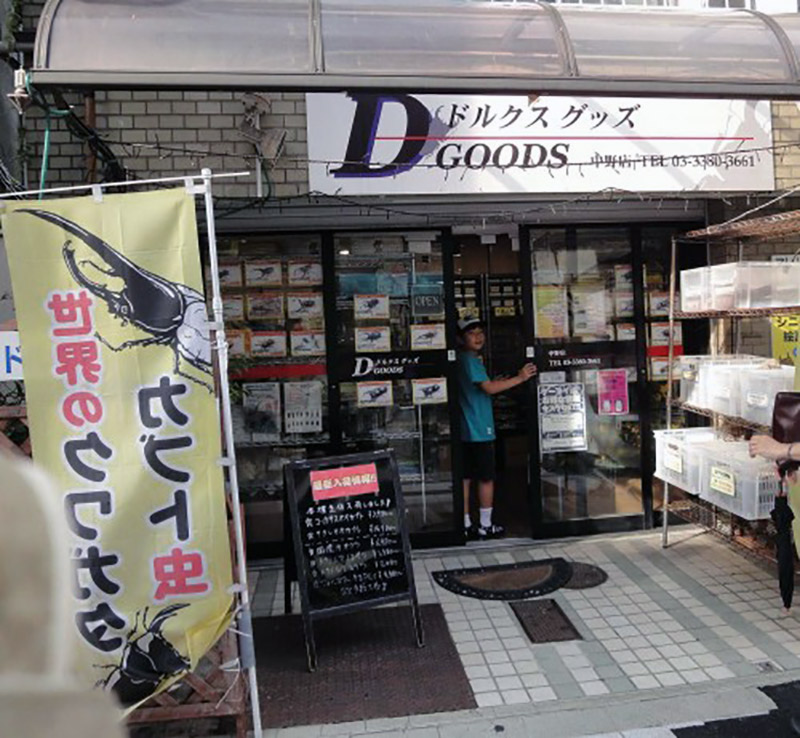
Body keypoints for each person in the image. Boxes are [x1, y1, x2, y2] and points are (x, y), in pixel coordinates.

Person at [457, 315, 536, 540]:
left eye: (480, 332)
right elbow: (489, 388)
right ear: (461, 338)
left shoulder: (465, 359)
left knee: (465, 478)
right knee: (486, 477)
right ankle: (485, 524)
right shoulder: (470, 360)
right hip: (479, 428)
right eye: (472, 333)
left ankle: (464, 523)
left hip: (465, 427)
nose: (478, 337)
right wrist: (520, 378)